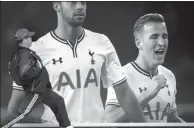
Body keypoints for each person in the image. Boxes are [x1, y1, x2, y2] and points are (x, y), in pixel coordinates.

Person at [7, 1, 145, 125]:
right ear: (57, 6)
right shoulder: (35, 51)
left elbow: (124, 93)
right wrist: (46, 120)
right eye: (73, 2)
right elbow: (16, 106)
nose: (80, 6)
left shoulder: (102, 42)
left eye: (83, 2)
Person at [105, 13, 185, 122]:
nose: (161, 42)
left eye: (164, 36)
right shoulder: (121, 76)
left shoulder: (169, 75)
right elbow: (109, 120)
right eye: (154, 36)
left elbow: (172, 119)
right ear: (139, 43)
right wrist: (148, 93)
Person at [2, 28, 70, 128]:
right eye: (29, 37)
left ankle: (66, 126)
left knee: (58, 101)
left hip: (42, 89)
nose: (31, 39)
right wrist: (38, 68)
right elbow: (24, 73)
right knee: (22, 112)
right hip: (35, 90)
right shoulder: (24, 54)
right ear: (24, 39)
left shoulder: (26, 53)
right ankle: (4, 125)